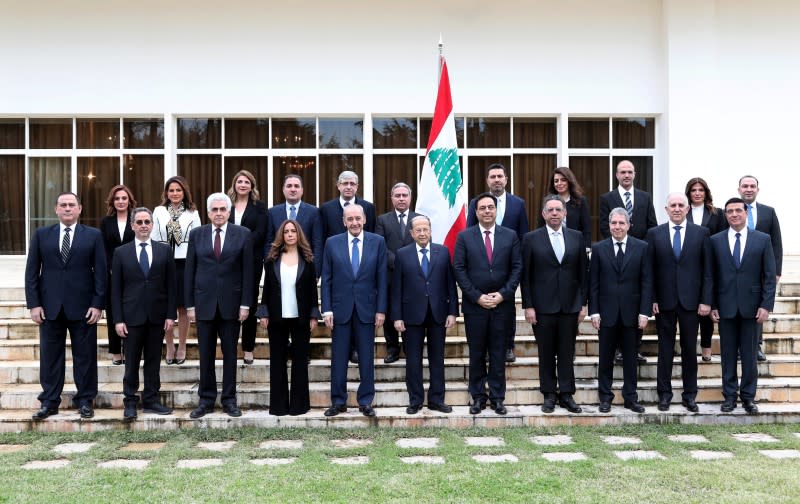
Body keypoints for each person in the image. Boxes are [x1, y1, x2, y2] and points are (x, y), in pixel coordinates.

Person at [25, 192, 106, 420]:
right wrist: (34, 304)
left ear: (80, 209)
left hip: (83, 308)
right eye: (63, 205)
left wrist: (98, 304)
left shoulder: (93, 235)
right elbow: (32, 273)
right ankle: (50, 402)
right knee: (50, 358)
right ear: (56, 209)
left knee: (86, 357)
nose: (68, 208)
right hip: (49, 308)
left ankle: (86, 400)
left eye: (72, 205)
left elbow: (101, 273)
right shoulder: (42, 235)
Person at [185, 193, 253, 418]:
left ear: (229, 211)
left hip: (232, 305)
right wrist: (190, 305)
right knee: (205, 355)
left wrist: (245, 304)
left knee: (230, 355)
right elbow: (190, 271)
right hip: (203, 305)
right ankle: (205, 400)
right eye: (214, 210)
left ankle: (229, 400)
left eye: (223, 209)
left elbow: (248, 273)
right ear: (208, 212)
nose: (219, 213)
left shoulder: (242, 234)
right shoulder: (197, 235)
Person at [454, 192, 522, 415]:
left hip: (502, 307)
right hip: (475, 307)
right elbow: (460, 270)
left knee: (498, 354)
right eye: (482, 208)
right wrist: (477, 296)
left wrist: (503, 294)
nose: (486, 211)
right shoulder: (465, 237)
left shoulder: (510, 236)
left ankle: (497, 397)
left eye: (490, 207)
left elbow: (517, 268)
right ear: (476, 212)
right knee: (476, 353)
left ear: (496, 210)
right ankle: (478, 397)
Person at [646, 193, 712, 413]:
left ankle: (689, 395)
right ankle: (664, 395)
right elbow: (649, 271)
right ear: (666, 209)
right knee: (664, 349)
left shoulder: (701, 233)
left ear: (687, 209)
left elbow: (707, 272)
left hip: (691, 303)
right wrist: (652, 299)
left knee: (689, 350)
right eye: (672, 205)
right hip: (664, 302)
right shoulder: (654, 234)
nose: (676, 208)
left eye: (680, 205)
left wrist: (706, 300)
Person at [521, 195, 587, 414]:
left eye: (559, 209)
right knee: (546, 352)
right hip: (542, 307)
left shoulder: (577, 237)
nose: (555, 213)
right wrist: (528, 306)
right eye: (550, 210)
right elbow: (526, 275)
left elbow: (582, 275)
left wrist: (583, 304)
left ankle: (567, 394)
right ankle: (549, 394)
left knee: (567, 352)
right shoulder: (531, 239)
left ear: (565, 213)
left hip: (570, 306)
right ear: (543, 214)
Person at [710, 197, 776, 414]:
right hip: (726, 306)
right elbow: (711, 276)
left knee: (749, 355)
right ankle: (729, 397)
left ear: (746, 212)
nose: (734, 214)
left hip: (752, 308)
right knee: (727, 355)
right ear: (726, 215)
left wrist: (766, 305)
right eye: (730, 211)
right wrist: (712, 305)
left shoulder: (763, 239)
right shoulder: (716, 240)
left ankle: (748, 397)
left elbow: (768, 276)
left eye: (738, 210)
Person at [321, 204, 387, 418]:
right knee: (338, 358)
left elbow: (382, 279)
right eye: (350, 219)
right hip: (340, 310)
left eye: (358, 218)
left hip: (367, 310)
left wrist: (381, 310)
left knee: (367, 358)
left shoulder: (377, 242)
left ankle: (365, 401)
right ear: (344, 221)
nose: (354, 223)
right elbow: (327, 279)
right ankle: (338, 401)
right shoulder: (332, 243)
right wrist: (327, 309)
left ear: (365, 219)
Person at [111, 207, 176, 419]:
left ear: (152, 225)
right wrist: (118, 319)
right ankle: (130, 401)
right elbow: (116, 289)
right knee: (131, 363)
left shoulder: (164, 251)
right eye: (139, 222)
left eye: (147, 222)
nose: (143, 225)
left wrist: (170, 315)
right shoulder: (121, 253)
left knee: (153, 361)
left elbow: (171, 286)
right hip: (131, 318)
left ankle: (151, 400)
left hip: (157, 317)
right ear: (132, 226)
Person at [392, 215, 458, 414]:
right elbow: (397, 288)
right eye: (418, 230)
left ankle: (437, 399)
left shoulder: (443, 252)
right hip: (411, 315)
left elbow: (450, 285)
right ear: (411, 233)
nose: (422, 233)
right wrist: (397, 316)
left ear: (430, 230)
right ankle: (415, 400)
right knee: (413, 359)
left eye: (425, 229)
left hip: (438, 313)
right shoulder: (402, 254)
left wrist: (453, 312)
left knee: (437, 358)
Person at [590, 207, 652, 414]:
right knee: (605, 358)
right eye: (614, 223)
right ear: (609, 225)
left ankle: (630, 398)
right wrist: (594, 312)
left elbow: (646, 282)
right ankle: (605, 398)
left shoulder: (642, 247)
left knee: (631, 359)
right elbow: (594, 283)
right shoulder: (598, 249)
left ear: (628, 225)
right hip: (606, 313)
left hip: (632, 314)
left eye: (621, 223)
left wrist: (645, 312)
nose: (617, 227)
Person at [466, 163, 528, 362]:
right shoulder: (477, 202)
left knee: (507, 309)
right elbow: (469, 232)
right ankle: (484, 348)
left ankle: (509, 346)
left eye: (500, 176)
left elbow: (523, 234)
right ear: (487, 181)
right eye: (492, 176)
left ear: (506, 179)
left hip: (508, 265)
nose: (497, 180)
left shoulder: (518, 203)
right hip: (482, 265)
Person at [258, 220, 319, 416]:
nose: (290, 234)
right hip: (277, 317)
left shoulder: (308, 259)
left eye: (293, 231)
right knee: (277, 360)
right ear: (281, 235)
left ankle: (299, 406)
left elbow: (312, 291)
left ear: (298, 234)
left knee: (300, 361)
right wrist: (264, 312)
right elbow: (266, 289)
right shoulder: (272, 259)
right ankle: (278, 406)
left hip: (301, 317)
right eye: (286, 231)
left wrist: (313, 315)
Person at [599, 160, 657, 362]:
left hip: (639, 255)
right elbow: (604, 226)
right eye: (622, 172)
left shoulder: (645, 197)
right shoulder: (607, 198)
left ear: (634, 174)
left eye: (629, 172)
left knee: (636, 302)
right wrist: (620, 241)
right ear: (616, 175)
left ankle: (634, 348)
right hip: (615, 254)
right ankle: (616, 349)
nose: (626, 175)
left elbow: (652, 225)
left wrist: (638, 247)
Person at [319, 170, 377, 364]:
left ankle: (357, 350)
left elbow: (372, 239)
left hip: (362, 271)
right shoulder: (326, 209)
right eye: (345, 183)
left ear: (357, 186)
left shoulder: (368, 208)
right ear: (338, 186)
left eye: (352, 183)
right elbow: (321, 239)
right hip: (338, 272)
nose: (349, 186)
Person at [152, 175, 201, 365]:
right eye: (171, 190)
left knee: (182, 306)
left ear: (184, 192)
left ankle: (182, 346)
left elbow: (196, 240)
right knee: (166, 306)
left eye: (178, 190)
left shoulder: (192, 213)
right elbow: (155, 237)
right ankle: (169, 346)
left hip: (184, 262)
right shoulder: (159, 211)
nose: (174, 193)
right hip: (164, 261)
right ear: (166, 193)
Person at [738, 175, 783, 362]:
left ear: (758, 189)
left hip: (762, 269)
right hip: (738, 268)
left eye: (752, 186)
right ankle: (739, 346)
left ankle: (756, 346)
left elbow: (777, 243)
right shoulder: (732, 210)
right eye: (745, 186)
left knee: (759, 306)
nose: (748, 189)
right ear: (739, 189)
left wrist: (777, 271)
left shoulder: (768, 212)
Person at [227, 169, 267, 365]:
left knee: (249, 303)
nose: (243, 185)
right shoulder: (226, 204)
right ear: (234, 184)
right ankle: (231, 345)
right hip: (228, 260)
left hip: (252, 259)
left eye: (247, 182)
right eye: (239, 181)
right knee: (231, 302)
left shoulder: (259, 207)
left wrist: (241, 243)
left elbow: (260, 231)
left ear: (252, 186)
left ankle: (248, 348)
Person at [685, 177, 728, 361]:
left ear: (706, 193)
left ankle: (706, 347)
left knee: (707, 307)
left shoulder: (717, 213)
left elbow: (722, 237)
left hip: (710, 263)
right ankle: (687, 347)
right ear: (688, 193)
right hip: (688, 266)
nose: (697, 193)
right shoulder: (682, 212)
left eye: (700, 190)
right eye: (693, 190)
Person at [375, 182, 418, 364]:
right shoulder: (382, 220)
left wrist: (408, 263)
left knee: (411, 312)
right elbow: (380, 246)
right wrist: (400, 262)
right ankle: (392, 349)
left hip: (414, 276)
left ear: (410, 197)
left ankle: (410, 348)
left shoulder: (420, 219)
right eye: (397, 195)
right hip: (390, 275)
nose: (401, 199)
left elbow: (423, 243)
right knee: (390, 312)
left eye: (404, 195)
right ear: (391, 198)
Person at [100, 184, 136, 365]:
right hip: (111, 273)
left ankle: (132, 348)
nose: (121, 201)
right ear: (112, 201)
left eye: (124, 198)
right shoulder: (106, 222)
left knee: (132, 310)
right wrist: (110, 267)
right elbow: (103, 248)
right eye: (117, 199)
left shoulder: (136, 219)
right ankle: (115, 350)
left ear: (129, 201)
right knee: (113, 311)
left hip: (133, 272)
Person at [266, 174, 323, 276]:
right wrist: (269, 268)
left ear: (302, 190)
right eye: (289, 186)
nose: (293, 189)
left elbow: (317, 244)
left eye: (296, 186)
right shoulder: (272, 212)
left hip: (305, 268)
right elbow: (268, 243)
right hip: (279, 268)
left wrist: (316, 272)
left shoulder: (314, 212)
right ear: (283, 190)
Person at [537, 167, 592, 251]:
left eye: (563, 180)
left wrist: (587, 248)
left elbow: (586, 228)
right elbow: (540, 227)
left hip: (575, 247)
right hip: (551, 247)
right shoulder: (548, 202)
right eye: (556, 181)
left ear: (569, 181)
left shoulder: (580, 201)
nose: (559, 183)